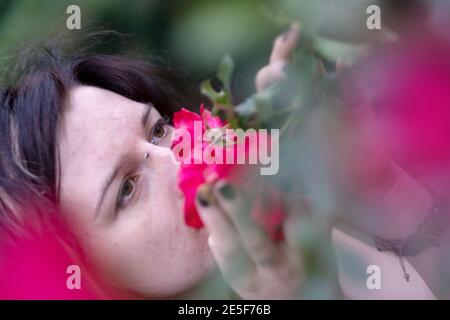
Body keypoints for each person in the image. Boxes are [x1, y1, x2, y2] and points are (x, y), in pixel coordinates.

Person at [0, 25, 437, 299]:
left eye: (157, 130)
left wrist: (379, 187)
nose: (177, 157)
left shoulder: (294, 237)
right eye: (126, 189)